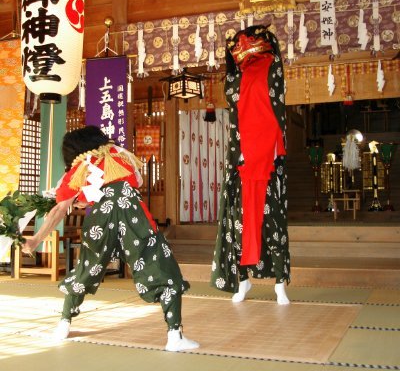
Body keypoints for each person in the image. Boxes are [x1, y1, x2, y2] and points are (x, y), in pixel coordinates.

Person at [22, 125, 199, 352]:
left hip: (101, 219)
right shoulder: (119, 154)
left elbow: (60, 209)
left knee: (87, 268)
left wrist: (36, 238)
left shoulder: (78, 168)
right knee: (161, 266)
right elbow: (138, 181)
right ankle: (175, 336)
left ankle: (63, 325)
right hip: (133, 216)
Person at [210, 26, 291, 304]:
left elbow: (276, 112)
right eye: (238, 44)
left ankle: (280, 283)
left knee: (273, 222)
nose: (242, 46)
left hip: (267, 155)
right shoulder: (234, 76)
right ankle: (241, 280)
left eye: (249, 40)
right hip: (240, 156)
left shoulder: (272, 68)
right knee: (238, 223)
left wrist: (270, 150)